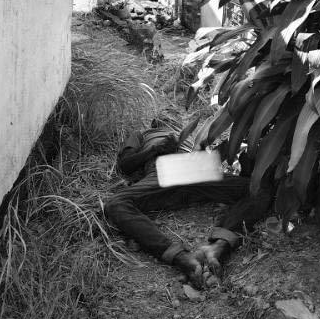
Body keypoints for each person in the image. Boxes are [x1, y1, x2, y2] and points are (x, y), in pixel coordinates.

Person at [103, 122, 274, 286]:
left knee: (259, 188)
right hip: (165, 170)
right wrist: (156, 148)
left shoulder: (189, 130)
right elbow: (126, 164)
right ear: (153, 123)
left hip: (196, 169)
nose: (165, 119)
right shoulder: (141, 134)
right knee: (116, 204)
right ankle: (180, 257)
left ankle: (219, 246)